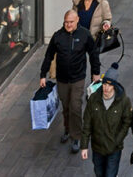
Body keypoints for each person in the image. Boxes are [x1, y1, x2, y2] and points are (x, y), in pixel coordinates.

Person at [40, 10, 102, 153]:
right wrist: (42, 74)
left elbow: (93, 54)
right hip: (62, 79)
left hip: (78, 78)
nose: (68, 25)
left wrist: (96, 73)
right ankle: (68, 129)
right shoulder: (57, 36)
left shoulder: (84, 34)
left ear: (77, 20)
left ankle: (76, 137)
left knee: (75, 106)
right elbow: (48, 56)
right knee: (66, 107)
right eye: (66, 22)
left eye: (71, 22)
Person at [80, 63, 132, 175]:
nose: (106, 88)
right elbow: (87, 123)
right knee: (99, 173)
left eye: (109, 85)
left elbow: (127, 123)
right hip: (97, 148)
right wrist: (84, 146)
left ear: (114, 86)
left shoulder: (123, 101)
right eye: (104, 84)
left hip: (114, 148)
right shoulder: (94, 99)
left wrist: (117, 140)